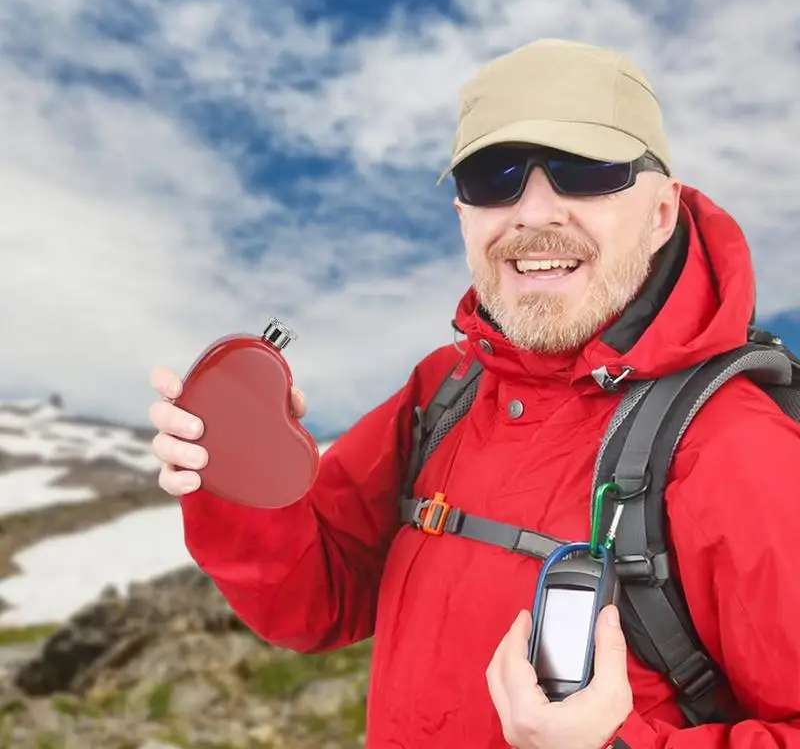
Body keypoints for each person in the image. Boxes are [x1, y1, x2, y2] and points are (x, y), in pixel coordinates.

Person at [147, 38, 800, 748]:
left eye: (587, 173)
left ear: (662, 211)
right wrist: (237, 480)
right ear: (463, 215)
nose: (535, 213)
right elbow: (314, 599)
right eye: (496, 178)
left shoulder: (736, 449)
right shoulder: (446, 391)